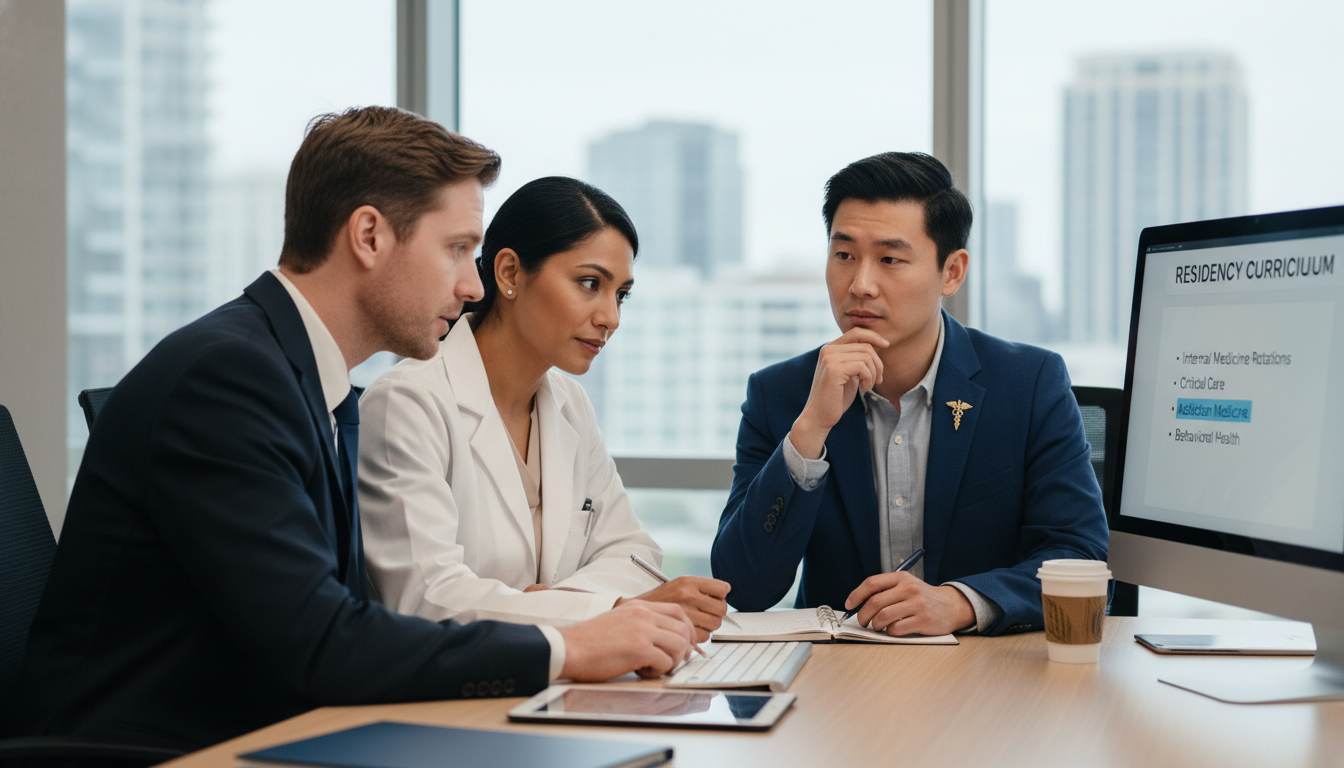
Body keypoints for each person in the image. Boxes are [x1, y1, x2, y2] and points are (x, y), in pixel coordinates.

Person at [18, 107, 695, 752]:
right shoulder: (228, 378)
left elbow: (343, 626)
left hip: (266, 731)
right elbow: (322, 642)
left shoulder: (309, 383)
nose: (473, 286)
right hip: (157, 750)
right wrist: (567, 645)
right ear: (369, 236)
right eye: (457, 249)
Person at [711, 152, 1108, 637]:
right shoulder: (781, 393)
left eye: (890, 259)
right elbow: (743, 587)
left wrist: (959, 602)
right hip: (839, 673)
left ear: (952, 272)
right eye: (844, 255)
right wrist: (810, 430)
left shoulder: (1027, 383)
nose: (861, 285)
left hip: (986, 666)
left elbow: (1079, 559)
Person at [358, 176, 730, 642]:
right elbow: (428, 599)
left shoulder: (570, 404)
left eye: (621, 294)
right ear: (510, 273)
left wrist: (557, 603)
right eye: (590, 283)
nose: (611, 318)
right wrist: (606, 611)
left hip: (567, 672)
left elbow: (633, 553)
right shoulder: (407, 404)